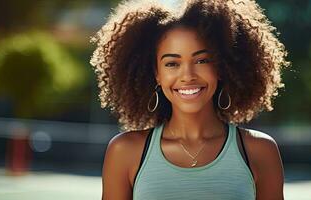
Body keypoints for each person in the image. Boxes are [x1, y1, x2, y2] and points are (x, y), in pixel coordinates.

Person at [90, 0, 289, 199]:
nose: (188, 76)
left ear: (221, 67)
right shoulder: (124, 151)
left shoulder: (260, 151)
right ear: (156, 74)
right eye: (172, 63)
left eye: (202, 60)